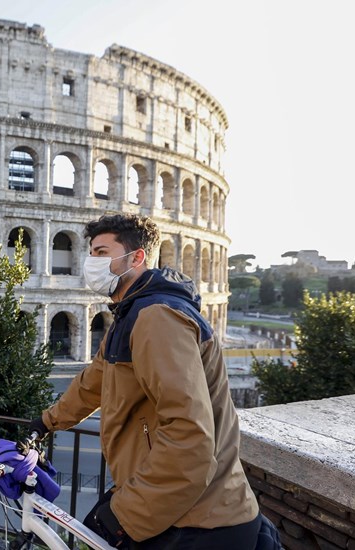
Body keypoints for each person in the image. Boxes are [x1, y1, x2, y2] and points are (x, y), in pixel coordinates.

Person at [30, 214, 273, 549]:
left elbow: (190, 434)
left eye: (101, 253)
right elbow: (93, 383)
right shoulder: (130, 314)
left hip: (197, 521)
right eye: (91, 254)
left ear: (137, 257)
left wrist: (126, 515)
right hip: (173, 505)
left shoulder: (157, 318)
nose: (91, 263)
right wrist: (46, 422)